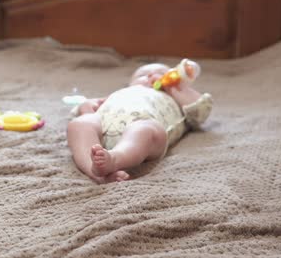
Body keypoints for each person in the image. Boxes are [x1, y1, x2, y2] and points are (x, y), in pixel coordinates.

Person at [67, 63, 213, 184]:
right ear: (130, 83)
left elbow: (201, 110)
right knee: (78, 124)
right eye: (143, 75)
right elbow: (86, 108)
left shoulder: (175, 95)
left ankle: (115, 158)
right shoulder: (122, 93)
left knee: (143, 129)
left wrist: (178, 90)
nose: (151, 76)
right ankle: (96, 172)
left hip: (144, 126)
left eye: (161, 73)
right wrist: (85, 106)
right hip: (105, 124)